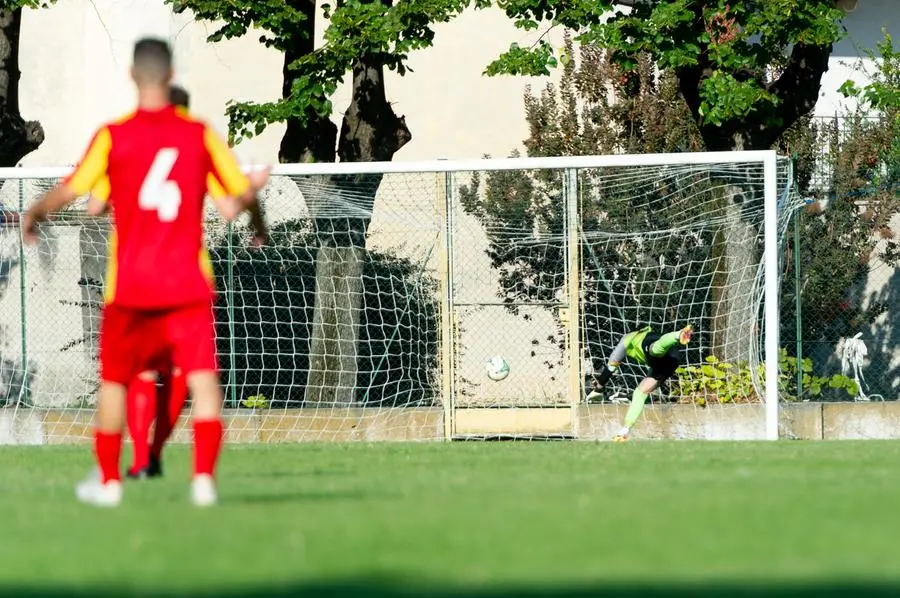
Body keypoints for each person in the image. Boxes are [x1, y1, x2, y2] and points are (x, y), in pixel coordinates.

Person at [23, 38, 269, 507]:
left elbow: (74, 190)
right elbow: (240, 192)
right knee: (202, 378)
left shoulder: (113, 135)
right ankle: (202, 481)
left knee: (116, 381)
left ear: (132, 76)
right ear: (172, 73)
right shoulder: (200, 134)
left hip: (130, 285)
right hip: (188, 283)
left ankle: (111, 484)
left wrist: (35, 212)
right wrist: (258, 226)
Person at [590, 324, 693, 442]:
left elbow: (610, 368)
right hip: (669, 362)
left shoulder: (627, 340)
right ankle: (624, 432)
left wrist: (599, 387)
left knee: (655, 350)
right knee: (639, 393)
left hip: (659, 349)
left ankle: (679, 334)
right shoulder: (644, 331)